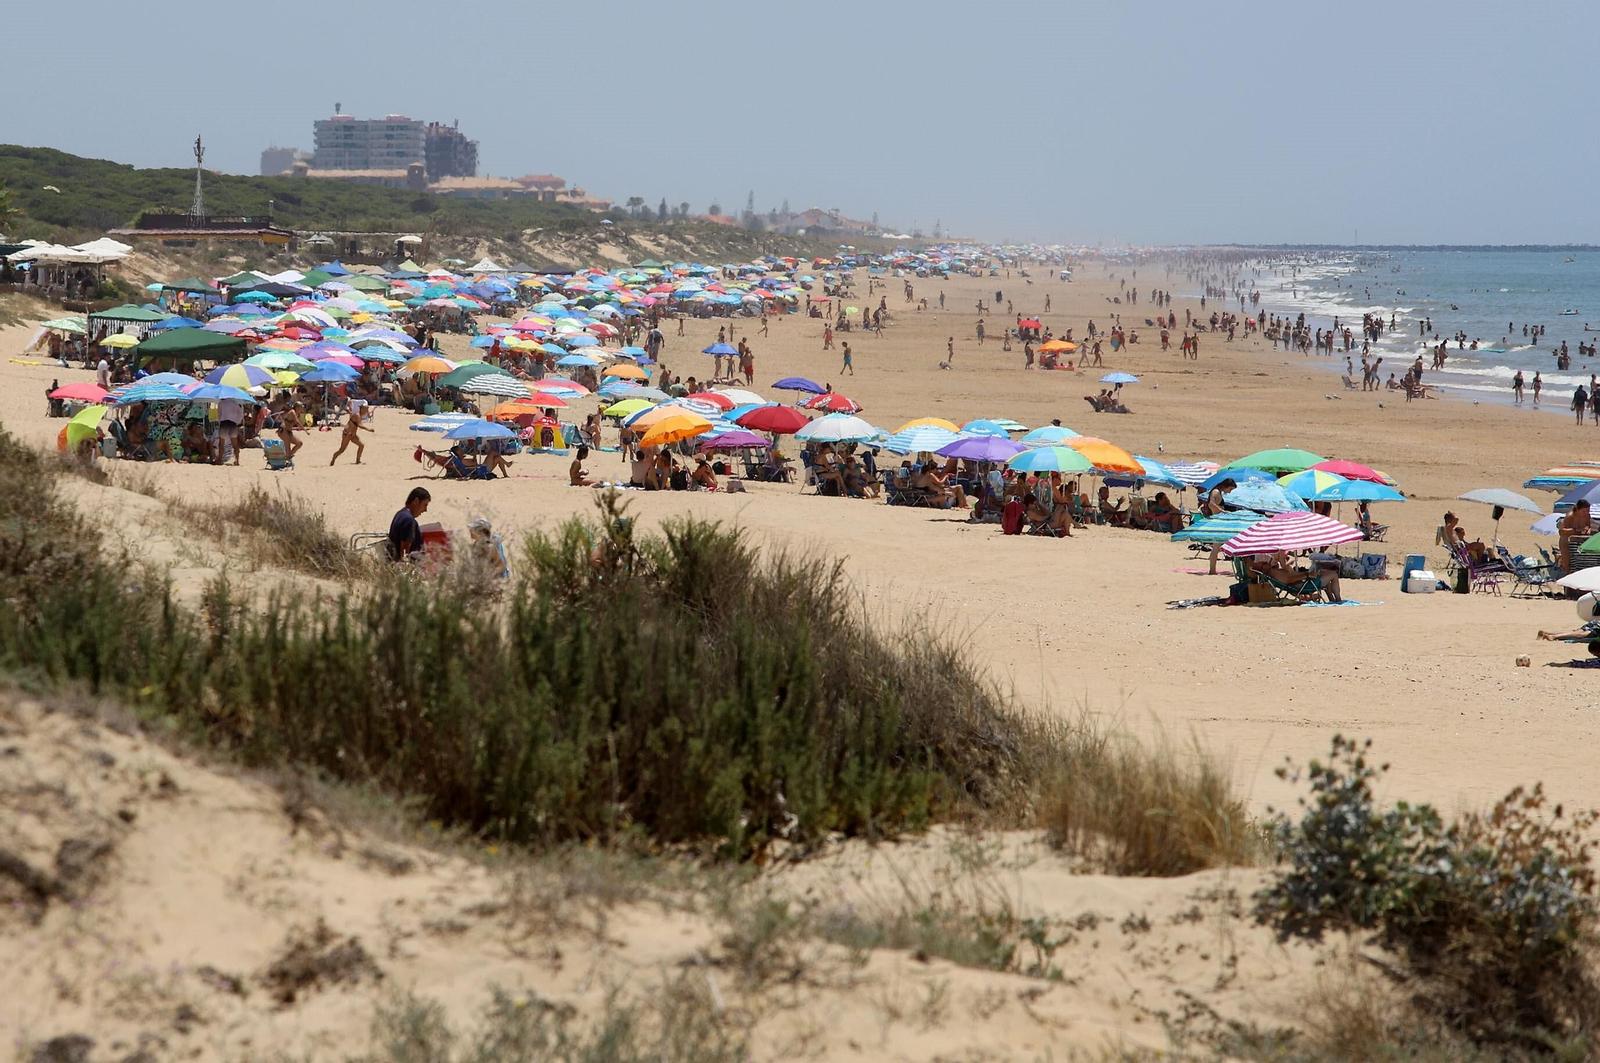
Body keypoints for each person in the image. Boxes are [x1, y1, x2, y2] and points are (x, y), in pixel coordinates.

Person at [387, 487, 431, 561]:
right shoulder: (409, 520)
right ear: (416, 501)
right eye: (425, 505)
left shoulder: (400, 514)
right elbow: (404, 551)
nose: (425, 510)